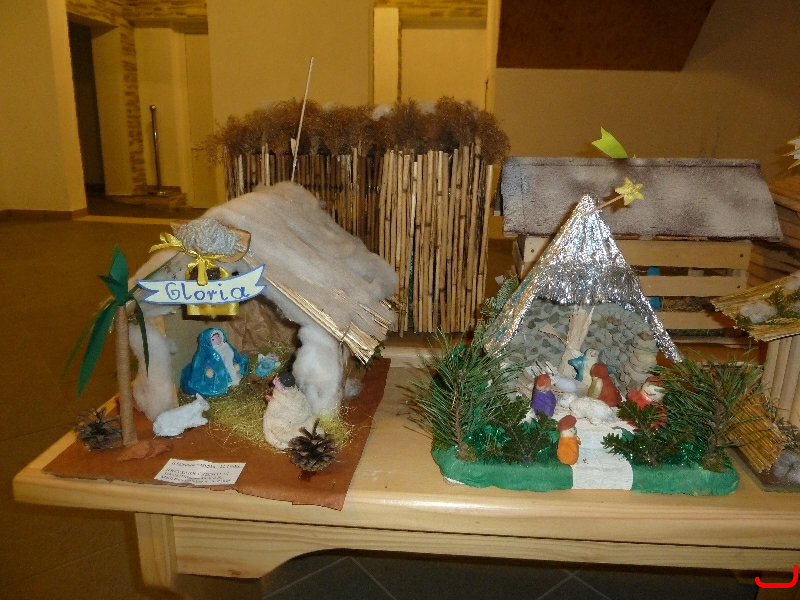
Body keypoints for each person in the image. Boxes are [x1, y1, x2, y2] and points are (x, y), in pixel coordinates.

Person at [181, 328, 248, 396]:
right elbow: (204, 362)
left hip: (230, 368)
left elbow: (232, 356)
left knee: (235, 376)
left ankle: (234, 381)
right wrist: (208, 368)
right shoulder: (208, 351)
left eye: (218, 336)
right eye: (213, 339)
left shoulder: (226, 346)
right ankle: (225, 386)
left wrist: (234, 363)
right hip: (217, 372)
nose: (217, 340)